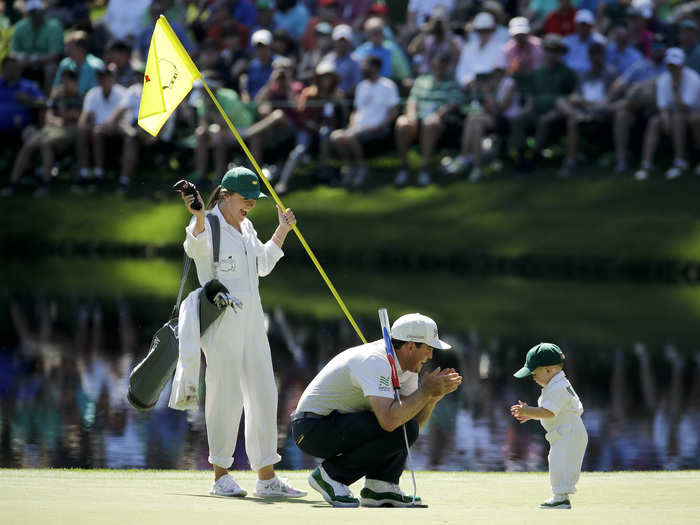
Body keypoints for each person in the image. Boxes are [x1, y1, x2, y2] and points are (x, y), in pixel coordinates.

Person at [181, 167, 307, 498]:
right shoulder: (209, 223)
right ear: (225, 195)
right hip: (221, 320)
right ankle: (221, 475)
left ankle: (266, 478)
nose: (250, 205)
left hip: (253, 321)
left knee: (265, 392)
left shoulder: (247, 226)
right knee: (226, 396)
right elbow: (194, 248)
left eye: (254, 200)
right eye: (246, 199)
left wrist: (282, 230)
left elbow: (262, 265)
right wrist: (196, 216)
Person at [292, 313, 462, 507]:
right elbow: (389, 421)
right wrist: (424, 392)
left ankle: (380, 486)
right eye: (428, 348)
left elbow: (410, 426)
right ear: (410, 346)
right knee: (392, 422)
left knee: (405, 426)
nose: (430, 355)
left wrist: (432, 398)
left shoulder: (407, 368)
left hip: (336, 423)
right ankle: (331, 476)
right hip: (311, 429)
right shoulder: (374, 360)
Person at [510, 342, 588, 510]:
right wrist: (531, 415)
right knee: (557, 461)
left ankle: (560, 498)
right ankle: (560, 497)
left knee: (559, 462)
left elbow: (550, 412)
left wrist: (529, 411)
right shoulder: (558, 384)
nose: (533, 377)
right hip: (568, 432)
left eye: (534, 373)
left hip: (568, 433)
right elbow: (553, 412)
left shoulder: (557, 388)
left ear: (548, 370)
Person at [394, 52, 463, 187]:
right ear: (433, 64)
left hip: (440, 122)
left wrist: (437, 115)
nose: (440, 67)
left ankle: (424, 168)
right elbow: (412, 101)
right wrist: (411, 117)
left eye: (443, 63)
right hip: (418, 119)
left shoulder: (453, 82)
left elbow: (453, 104)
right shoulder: (422, 80)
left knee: (430, 123)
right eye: (438, 63)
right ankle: (404, 167)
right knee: (402, 123)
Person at [329, 55, 399, 186]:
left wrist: (381, 125)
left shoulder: (388, 86)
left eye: (366, 65)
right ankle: (350, 167)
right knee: (336, 136)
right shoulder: (361, 86)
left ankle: (361, 169)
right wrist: (352, 123)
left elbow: (394, 111)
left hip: (377, 129)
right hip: (357, 128)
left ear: (376, 67)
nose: (362, 68)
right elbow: (356, 110)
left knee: (350, 136)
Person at [634, 48, 700, 180]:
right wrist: (665, 120)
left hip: (692, 113)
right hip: (674, 114)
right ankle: (646, 165)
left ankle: (680, 162)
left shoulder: (693, 78)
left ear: (682, 65)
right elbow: (663, 106)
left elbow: (685, 106)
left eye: (675, 65)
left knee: (679, 118)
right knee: (654, 122)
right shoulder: (663, 79)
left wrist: (676, 89)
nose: (672, 68)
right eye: (670, 65)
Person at [9, 0, 63, 92]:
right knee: (14, 67)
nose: (35, 16)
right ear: (27, 14)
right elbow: (13, 54)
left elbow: (55, 55)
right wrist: (21, 59)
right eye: (32, 13)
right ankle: (15, 96)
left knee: (50, 68)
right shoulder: (19, 28)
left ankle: (47, 101)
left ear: (43, 12)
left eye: (38, 12)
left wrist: (36, 59)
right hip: (25, 63)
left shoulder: (53, 26)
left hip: (46, 63)